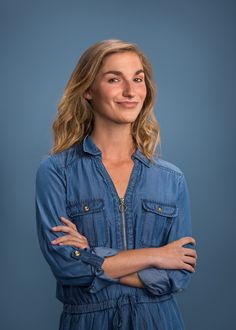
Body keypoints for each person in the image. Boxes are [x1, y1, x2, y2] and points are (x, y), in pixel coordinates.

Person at [35, 39, 197, 330]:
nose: (130, 91)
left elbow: (177, 275)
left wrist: (93, 256)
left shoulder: (172, 179)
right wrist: (157, 256)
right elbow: (68, 267)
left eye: (138, 79)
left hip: (159, 321)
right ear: (87, 90)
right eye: (114, 79)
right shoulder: (57, 171)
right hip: (88, 321)